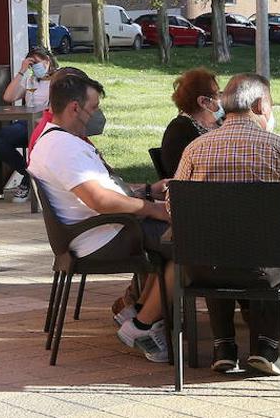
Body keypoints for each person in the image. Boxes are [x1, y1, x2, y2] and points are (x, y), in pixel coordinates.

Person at [172, 73, 280, 376]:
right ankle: (266, 345)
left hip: (202, 267)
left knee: (216, 242)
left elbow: (176, 206)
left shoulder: (195, 149)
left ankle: (224, 345)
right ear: (258, 104)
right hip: (262, 269)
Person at [30, 72, 173, 363]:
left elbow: (103, 188)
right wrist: (152, 208)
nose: (96, 115)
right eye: (93, 108)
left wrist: (145, 192)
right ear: (74, 108)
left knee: (175, 236)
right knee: (190, 241)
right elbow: (100, 199)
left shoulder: (56, 139)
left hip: (99, 230)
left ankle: (140, 311)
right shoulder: (64, 147)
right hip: (102, 235)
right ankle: (142, 327)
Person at [0, 48, 57, 203]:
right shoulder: (30, 80)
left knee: (39, 143)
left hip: (46, 125)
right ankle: (29, 175)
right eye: (31, 64)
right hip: (25, 123)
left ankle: (28, 183)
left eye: (37, 63)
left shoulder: (58, 80)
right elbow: (9, 97)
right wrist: (22, 71)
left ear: (48, 61)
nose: (35, 68)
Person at [159, 68, 223, 178]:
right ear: (203, 102)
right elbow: (179, 175)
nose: (221, 98)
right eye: (217, 94)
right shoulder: (179, 130)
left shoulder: (222, 121)